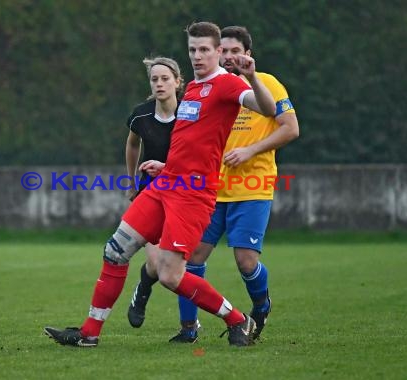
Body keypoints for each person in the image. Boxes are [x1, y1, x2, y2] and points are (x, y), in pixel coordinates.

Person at [44, 21, 276, 348]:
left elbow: (269, 110)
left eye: (204, 50)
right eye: (192, 49)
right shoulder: (193, 88)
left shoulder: (229, 85)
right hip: (165, 183)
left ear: (219, 52)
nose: (197, 56)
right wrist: (167, 166)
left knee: (169, 276)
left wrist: (251, 76)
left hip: (193, 195)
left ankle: (238, 319)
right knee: (115, 251)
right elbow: (192, 143)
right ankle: (89, 333)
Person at [127, 25, 299, 344]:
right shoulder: (205, 87)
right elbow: (197, 143)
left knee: (246, 262)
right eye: (226, 51)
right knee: (191, 259)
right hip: (208, 189)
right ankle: (189, 327)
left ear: (247, 53)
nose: (231, 56)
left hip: (252, 186)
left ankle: (260, 306)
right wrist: (171, 168)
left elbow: (290, 128)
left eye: (236, 51)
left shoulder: (265, 85)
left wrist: (250, 149)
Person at [125, 56, 183, 311]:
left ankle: (189, 322)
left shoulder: (190, 115)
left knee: (178, 265)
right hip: (150, 190)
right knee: (157, 262)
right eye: (154, 79)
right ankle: (144, 288)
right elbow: (132, 143)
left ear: (177, 82)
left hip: (184, 192)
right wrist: (131, 181)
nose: (159, 84)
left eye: (165, 79)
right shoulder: (141, 115)